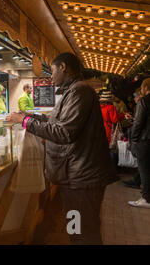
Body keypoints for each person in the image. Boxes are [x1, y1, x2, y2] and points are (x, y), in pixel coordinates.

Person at [7, 52, 118, 245]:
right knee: (77, 229)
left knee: (82, 232)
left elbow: (64, 133)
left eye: (52, 71)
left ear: (63, 67)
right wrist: (31, 117)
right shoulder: (74, 91)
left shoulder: (79, 91)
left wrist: (24, 121)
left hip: (81, 179)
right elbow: (56, 122)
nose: (51, 76)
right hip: (77, 177)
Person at [128, 78, 150, 208]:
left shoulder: (144, 101)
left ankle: (146, 199)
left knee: (144, 170)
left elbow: (139, 122)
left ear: (145, 87)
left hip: (144, 140)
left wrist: (134, 139)